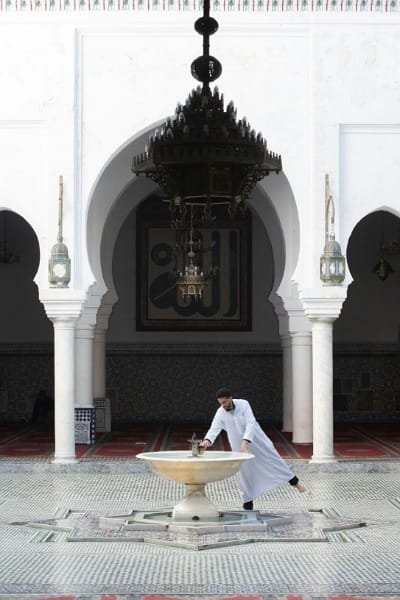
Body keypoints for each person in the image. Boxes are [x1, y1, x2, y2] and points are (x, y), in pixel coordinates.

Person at [201, 387, 306, 510]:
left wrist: (246, 441)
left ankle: (295, 483)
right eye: (220, 403)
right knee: (243, 469)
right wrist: (207, 441)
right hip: (237, 442)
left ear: (230, 398)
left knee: (272, 457)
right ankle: (247, 501)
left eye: (224, 402)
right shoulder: (221, 412)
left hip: (255, 438)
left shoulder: (243, 404)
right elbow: (214, 428)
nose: (223, 405)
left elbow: (251, 422)